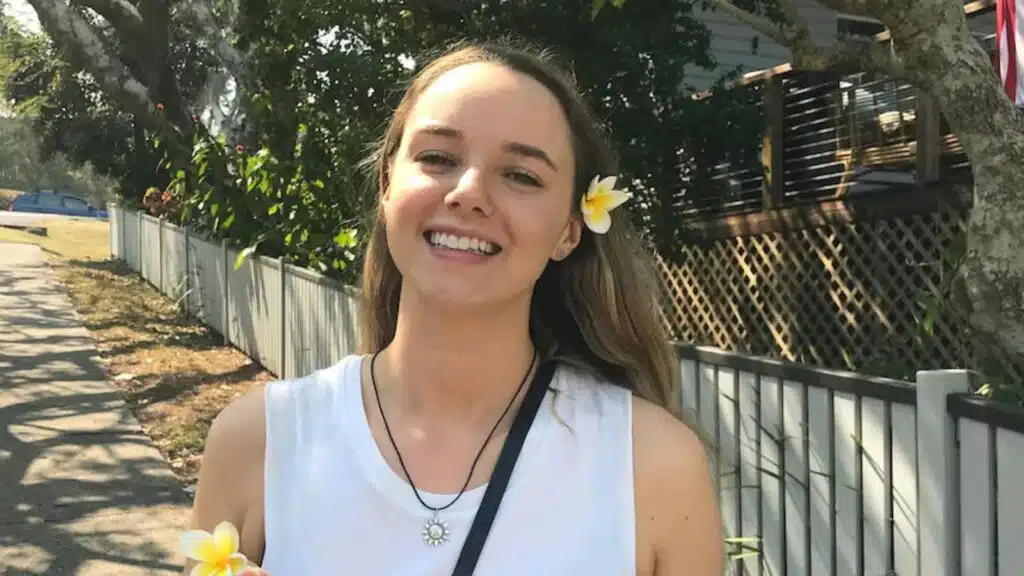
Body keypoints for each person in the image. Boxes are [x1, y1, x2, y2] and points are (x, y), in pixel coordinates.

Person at [182, 39, 723, 575]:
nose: (468, 192)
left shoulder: (654, 467)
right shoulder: (259, 442)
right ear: (387, 186)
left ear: (568, 231)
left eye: (521, 175)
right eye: (438, 158)